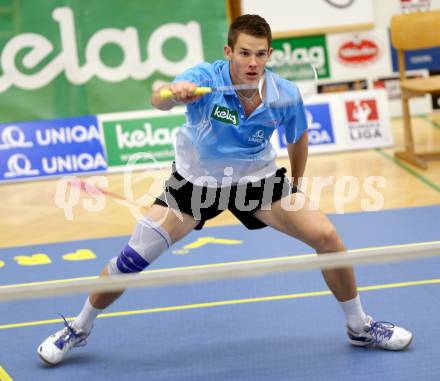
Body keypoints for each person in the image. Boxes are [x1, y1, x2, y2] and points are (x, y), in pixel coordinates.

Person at [37, 14, 412, 365]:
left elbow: (297, 138)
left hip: (257, 181)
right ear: (229, 51)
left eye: (260, 54)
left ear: (270, 54)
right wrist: (173, 93)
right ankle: (79, 327)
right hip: (196, 184)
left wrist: (296, 184)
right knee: (131, 259)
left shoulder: (283, 93)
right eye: (244, 53)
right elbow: (158, 97)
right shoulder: (205, 79)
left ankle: (359, 327)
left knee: (327, 237)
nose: (252, 62)